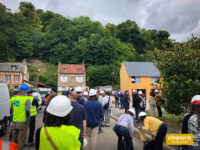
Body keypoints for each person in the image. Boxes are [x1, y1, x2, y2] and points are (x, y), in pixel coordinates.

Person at [10, 84, 31, 150]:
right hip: (23, 123)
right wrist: (28, 122)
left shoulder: (15, 99)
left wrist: (12, 120)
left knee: (13, 138)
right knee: (21, 140)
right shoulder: (27, 100)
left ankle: (12, 149)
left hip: (15, 122)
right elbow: (27, 112)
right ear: (27, 91)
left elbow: (11, 110)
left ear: (19, 91)